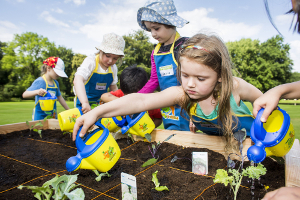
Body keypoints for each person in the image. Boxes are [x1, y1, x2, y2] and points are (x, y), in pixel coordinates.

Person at [72, 33, 262, 154]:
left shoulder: (235, 87)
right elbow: (140, 101)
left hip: (253, 146)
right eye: (185, 75)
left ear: (220, 76)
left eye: (201, 79)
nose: (190, 84)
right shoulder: (182, 94)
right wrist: (96, 112)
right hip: (218, 149)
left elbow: (265, 102)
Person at [136, 0, 191, 131]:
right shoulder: (155, 52)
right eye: (150, 30)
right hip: (167, 107)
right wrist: (136, 98)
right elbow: (154, 80)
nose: (153, 34)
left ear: (171, 23)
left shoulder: (185, 47)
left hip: (188, 106)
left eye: (156, 28)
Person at [73, 33, 125, 114]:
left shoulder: (113, 68)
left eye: (115, 58)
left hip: (100, 104)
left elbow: (113, 88)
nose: (110, 61)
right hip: (83, 103)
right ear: (101, 51)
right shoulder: (91, 62)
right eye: (108, 56)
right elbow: (77, 80)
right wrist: (85, 103)